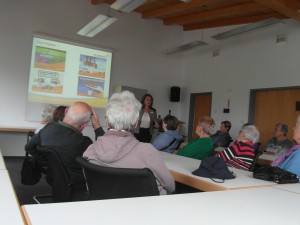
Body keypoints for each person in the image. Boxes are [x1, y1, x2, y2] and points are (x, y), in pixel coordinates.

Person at [83, 91, 175, 195]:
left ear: (107, 122)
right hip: (145, 208)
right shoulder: (148, 151)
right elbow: (170, 186)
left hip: (104, 206)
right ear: (136, 124)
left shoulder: (90, 150)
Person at [25, 102, 105, 188]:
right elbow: (104, 155)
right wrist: (98, 128)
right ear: (85, 124)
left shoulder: (48, 128)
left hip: (53, 177)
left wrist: (49, 163)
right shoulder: (84, 142)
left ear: (66, 111)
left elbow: (29, 147)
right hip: (79, 184)